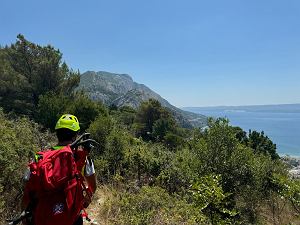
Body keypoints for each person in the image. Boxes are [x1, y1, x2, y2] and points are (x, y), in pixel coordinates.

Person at [22, 114, 97, 225]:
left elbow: (28, 190)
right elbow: (93, 187)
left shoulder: (40, 158)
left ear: (57, 134)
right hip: (72, 218)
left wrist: (24, 215)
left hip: (43, 218)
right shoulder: (82, 158)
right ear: (75, 135)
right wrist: (84, 201)